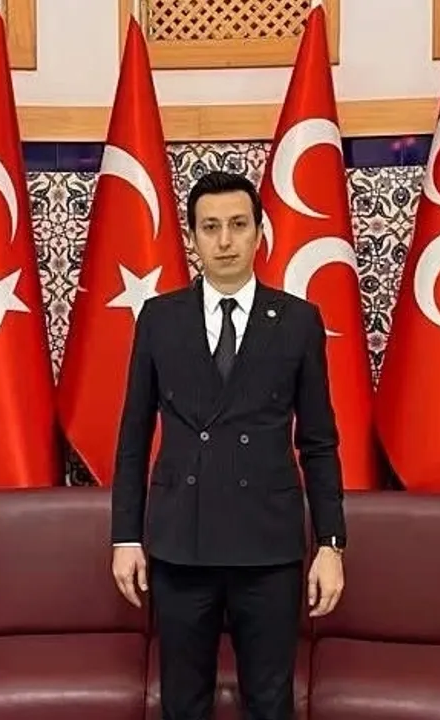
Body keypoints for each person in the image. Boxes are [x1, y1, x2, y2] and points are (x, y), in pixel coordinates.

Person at [110, 170, 347, 720]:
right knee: (183, 703)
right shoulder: (159, 318)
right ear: (191, 237)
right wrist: (125, 535)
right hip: (180, 546)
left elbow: (318, 442)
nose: (224, 241)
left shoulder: (298, 321)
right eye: (210, 227)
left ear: (260, 232)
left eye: (238, 225)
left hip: (268, 548)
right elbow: (133, 435)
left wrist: (331, 544)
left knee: (269, 701)